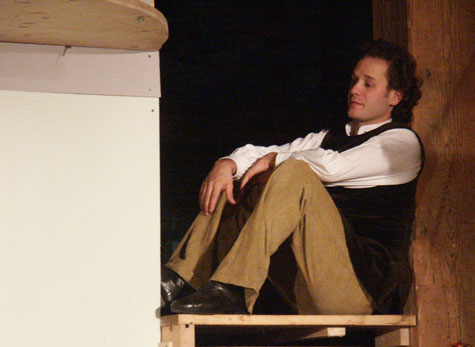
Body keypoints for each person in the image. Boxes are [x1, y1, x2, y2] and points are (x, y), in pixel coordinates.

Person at [161, 39, 423, 315]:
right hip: (308, 285)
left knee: (294, 171)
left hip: (365, 292)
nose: (355, 89)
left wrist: (273, 160)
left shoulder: (401, 143)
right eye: (354, 80)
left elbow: (330, 167)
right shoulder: (330, 137)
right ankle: (179, 280)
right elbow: (270, 153)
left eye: (368, 84)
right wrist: (229, 164)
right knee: (243, 181)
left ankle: (235, 287)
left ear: (395, 97)